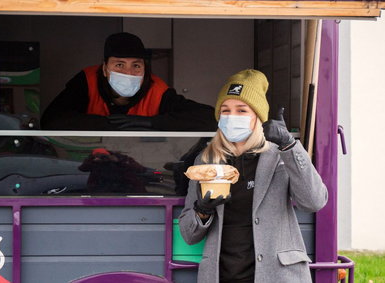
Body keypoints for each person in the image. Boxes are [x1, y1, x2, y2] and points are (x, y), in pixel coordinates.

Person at [179, 69, 328, 283]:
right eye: (225, 110)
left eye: (242, 110)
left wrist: (290, 145)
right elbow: (188, 234)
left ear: (258, 117)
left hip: (277, 276)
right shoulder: (206, 160)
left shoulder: (279, 155)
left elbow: (314, 201)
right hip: (223, 275)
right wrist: (202, 211)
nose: (232, 117)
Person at [41, 32, 217, 131]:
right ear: (104, 69)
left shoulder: (156, 90)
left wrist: (151, 122)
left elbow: (209, 118)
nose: (128, 72)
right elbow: (52, 120)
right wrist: (111, 124)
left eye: (136, 65)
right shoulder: (87, 81)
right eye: (119, 64)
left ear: (145, 69)